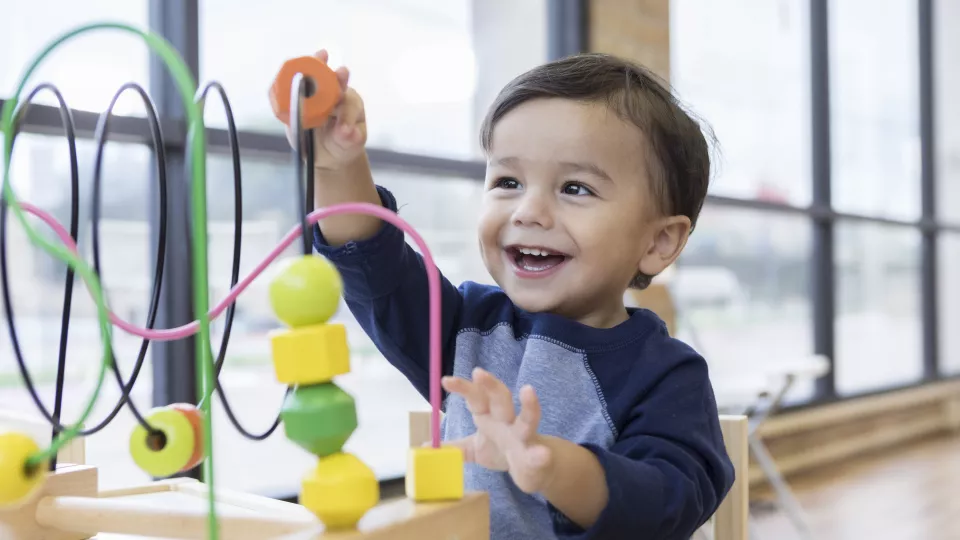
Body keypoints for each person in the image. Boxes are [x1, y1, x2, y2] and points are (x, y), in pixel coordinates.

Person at [295, 49, 735, 539]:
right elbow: (372, 260)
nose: (528, 211)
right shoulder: (467, 326)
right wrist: (337, 165)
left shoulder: (667, 375)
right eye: (508, 181)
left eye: (575, 188)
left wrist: (549, 466)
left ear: (657, 242)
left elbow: (668, 504)